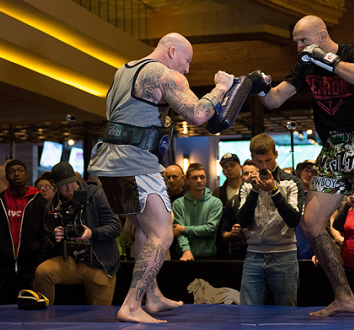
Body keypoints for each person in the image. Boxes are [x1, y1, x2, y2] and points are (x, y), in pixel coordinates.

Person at [249, 15, 354, 317]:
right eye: (296, 43)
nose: (299, 47)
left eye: (304, 41)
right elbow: (276, 100)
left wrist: (327, 60)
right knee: (312, 224)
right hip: (332, 148)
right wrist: (261, 87)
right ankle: (344, 296)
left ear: (322, 35)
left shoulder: (353, 52)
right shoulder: (305, 64)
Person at [87, 32, 234, 323]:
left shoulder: (124, 70)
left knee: (145, 230)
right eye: (186, 60)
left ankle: (151, 297)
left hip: (110, 160)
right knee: (163, 234)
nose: (187, 68)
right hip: (136, 162)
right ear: (171, 51)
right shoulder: (164, 74)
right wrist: (221, 87)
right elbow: (200, 114)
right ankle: (131, 305)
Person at [33, 162, 121, 305]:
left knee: (100, 316)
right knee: (43, 272)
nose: (69, 189)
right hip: (70, 260)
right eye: (63, 185)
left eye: (71, 183)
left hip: (99, 262)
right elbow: (46, 236)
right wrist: (54, 235)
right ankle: (43, 319)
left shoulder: (97, 195)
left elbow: (115, 227)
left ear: (76, 179)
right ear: (55, 185)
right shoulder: (52, 205)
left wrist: (92, 233)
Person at [237, 133, 304, 306]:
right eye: (259, 162)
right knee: (248, 312)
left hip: (285, 254)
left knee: (286, 314)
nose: (264, 166)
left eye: (268, 160)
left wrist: (274, 191)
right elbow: (242, 221)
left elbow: (294, 220)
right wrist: (254, 191)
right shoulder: (246, 185)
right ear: (252, 158)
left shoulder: (292, 182)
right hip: (254, 255)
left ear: (275, 154)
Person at [0, 160, 48, 304]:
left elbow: (45, 238)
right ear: (6, 177)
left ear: (26, 174)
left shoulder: (40, 202)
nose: (16, 174)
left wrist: (39, 268)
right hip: (2, 271)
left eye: (20, 170)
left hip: (31, 269)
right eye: (12, 171)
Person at [172, 163, 222, 261]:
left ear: (205, 179)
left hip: (208, 255)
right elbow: (177, 231)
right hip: (184, 255)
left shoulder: (215, 202)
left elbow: (210, 229)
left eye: (202, 177)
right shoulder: (178, 203)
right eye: (194, 178)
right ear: (187, 180)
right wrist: (186, 250)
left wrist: (184, 229)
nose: (199, 181)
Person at [220, 160, 258, 260]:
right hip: (238, 252)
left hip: (261, 250)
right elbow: (223, 233)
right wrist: (232, 233)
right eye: (246, 173)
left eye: (253, 173)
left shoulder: (267, 199)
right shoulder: (232, 202)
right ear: (241, 176)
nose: (249, 176)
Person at [213, 153, 243, 258]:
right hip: (225, 245)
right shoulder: (217, 193)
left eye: (232, 165)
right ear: (222, 171)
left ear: (240, 167)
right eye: (225, 167)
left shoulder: (250, 188)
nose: (229, 169)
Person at [295, 160, 315, 259]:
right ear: (300, 171)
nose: (310, 174)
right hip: (292, 251)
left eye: (314, 171)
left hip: (313, 252)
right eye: (307, 169)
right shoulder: (292, 195)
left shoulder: (318, 198)